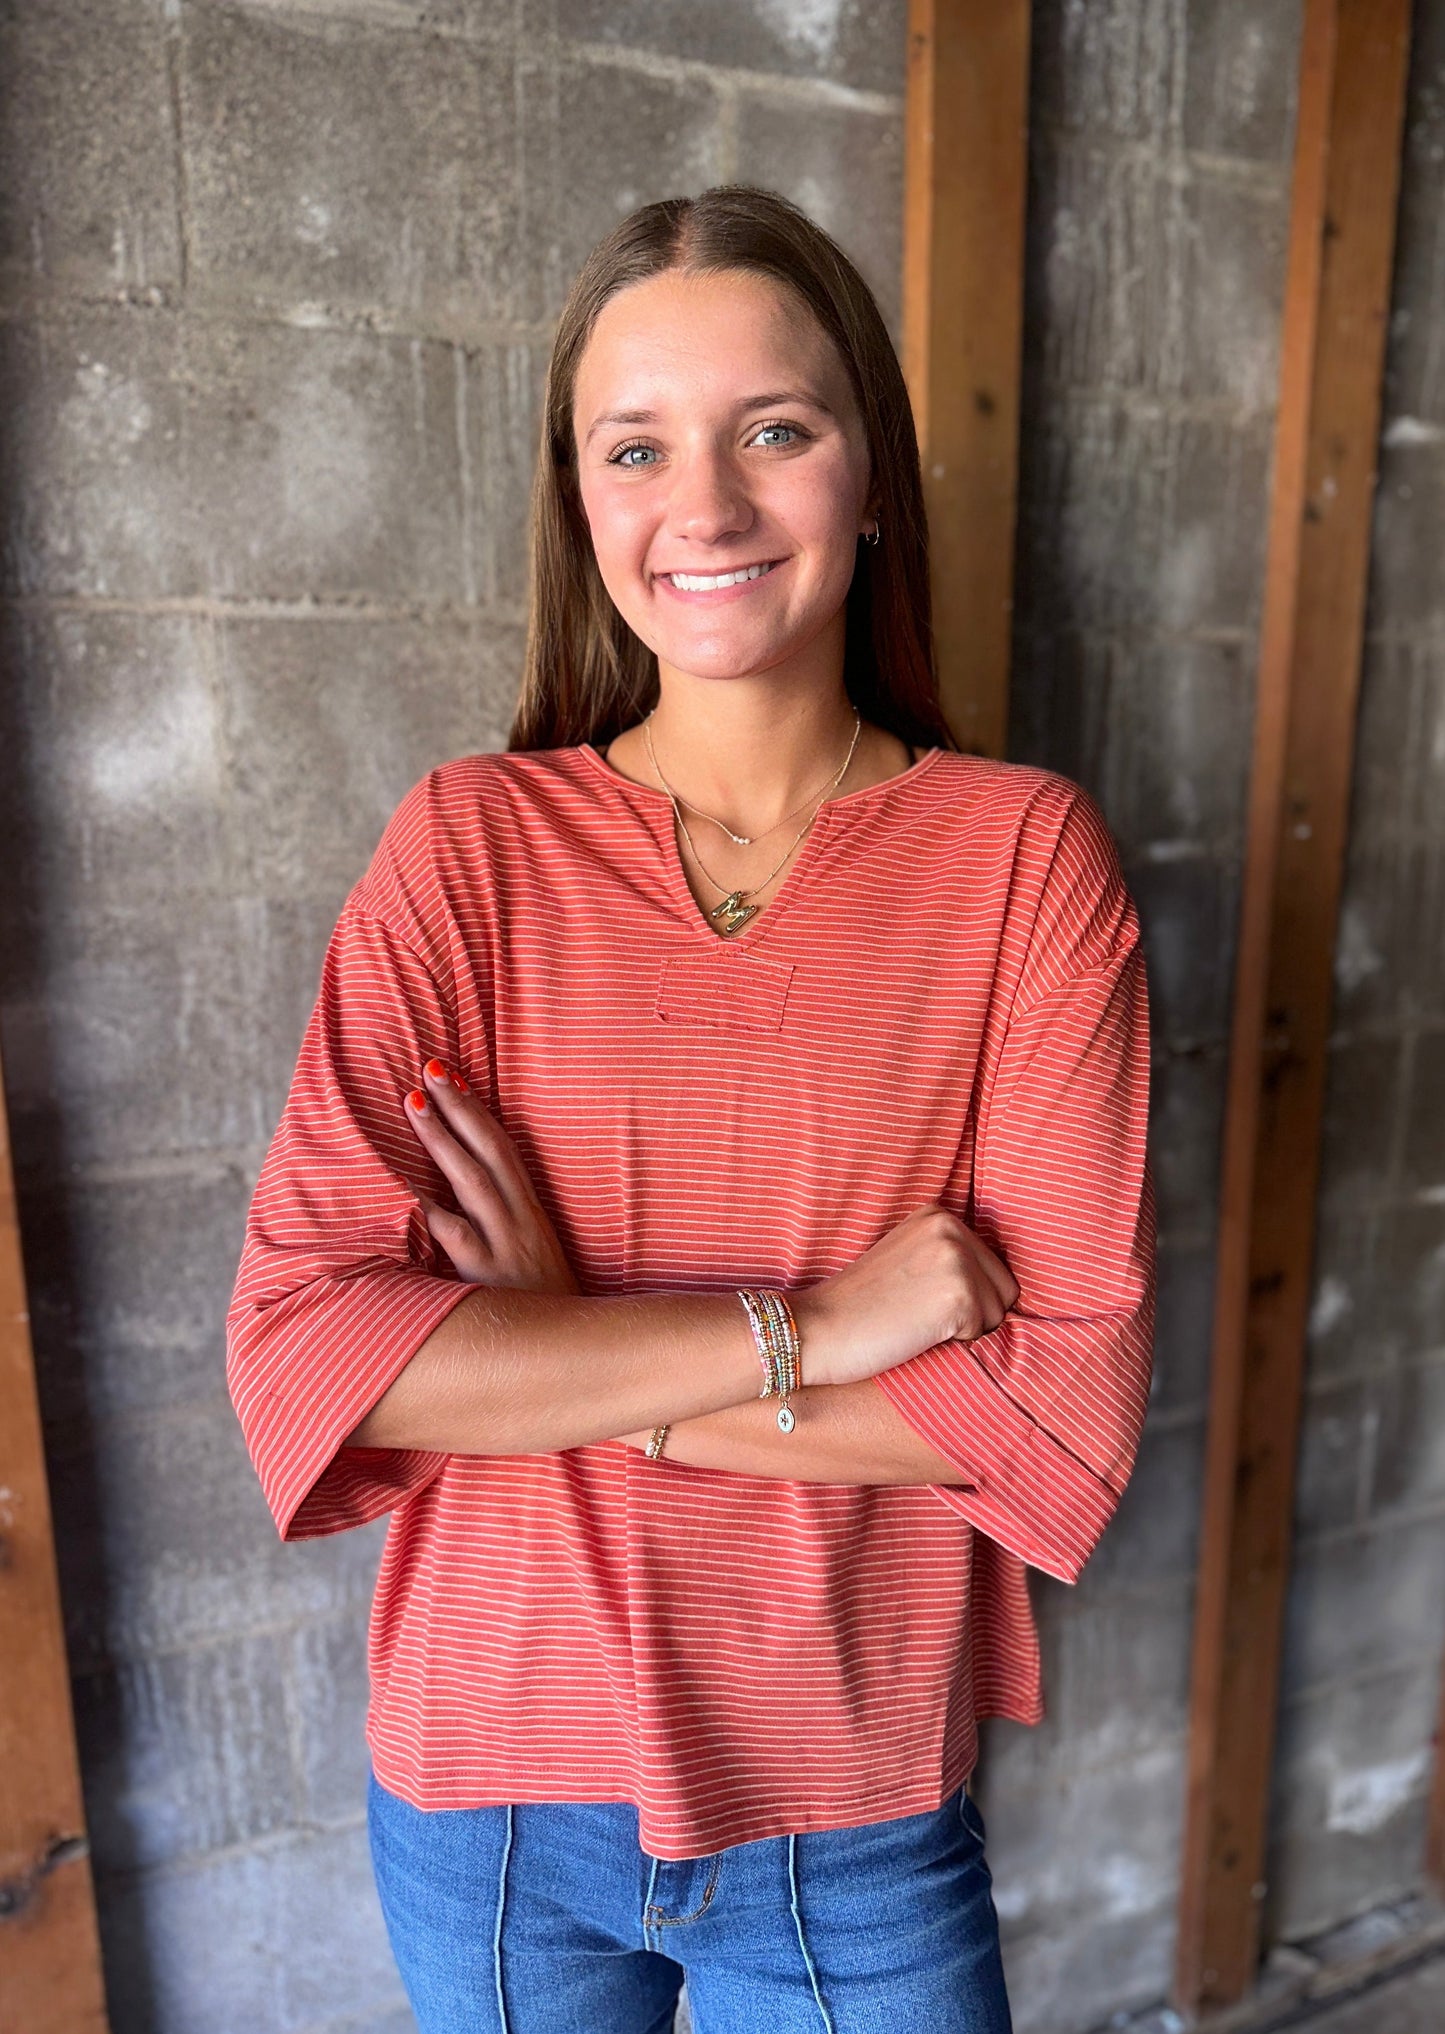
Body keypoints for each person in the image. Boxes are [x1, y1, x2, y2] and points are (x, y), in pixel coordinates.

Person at [226, 185, 1155, 2034]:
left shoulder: (1018, 863)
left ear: (869, 468)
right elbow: (307, 1347)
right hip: (485, 1792)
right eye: (635, 445)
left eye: (774, 430)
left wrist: (567, 1353)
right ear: (581, 502)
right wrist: (803, 1334)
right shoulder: (466, 851)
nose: (704, 506)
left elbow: (1057, 1426)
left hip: (853, 1806)